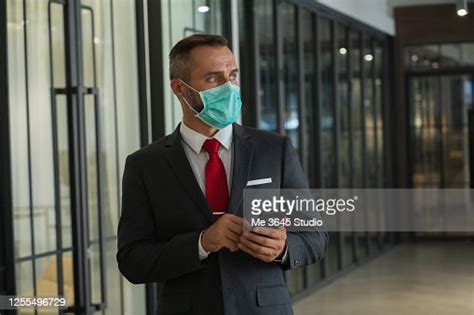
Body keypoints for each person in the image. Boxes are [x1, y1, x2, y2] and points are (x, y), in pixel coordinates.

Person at [117, 34, 328, 315]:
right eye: (214, 78)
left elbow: (315, 237)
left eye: (233, 75)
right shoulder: (145, 165)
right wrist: (202, 243)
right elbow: (133, 260)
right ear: (180, 88)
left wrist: (284, 247)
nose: (229, 87)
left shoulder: (274, 150)